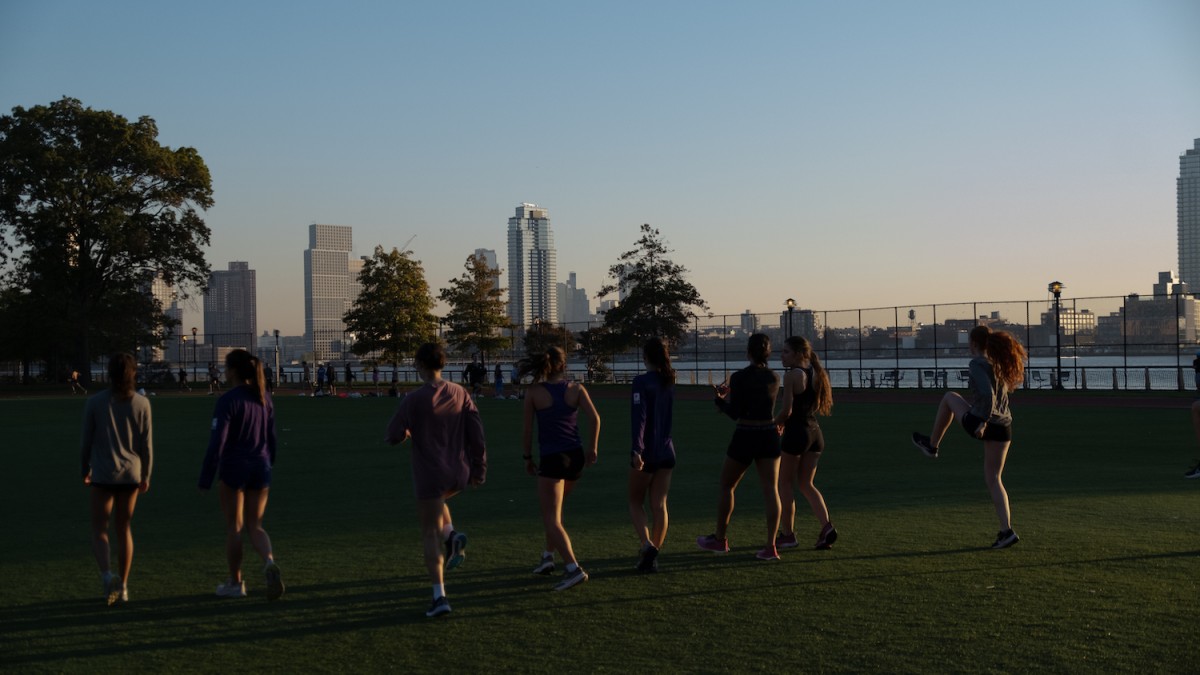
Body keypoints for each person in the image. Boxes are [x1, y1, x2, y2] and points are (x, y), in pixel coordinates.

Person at [386, 342, 487, 618]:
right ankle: (452, 535)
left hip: (430, 474)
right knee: (440, 505)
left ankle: (439, 595)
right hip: (458, 472)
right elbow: (476, 433)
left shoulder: (413, 399)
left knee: (428, 532)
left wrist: (407, 431)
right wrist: (479, 468)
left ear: (420, 365)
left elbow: (393, 434)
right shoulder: (460, 392)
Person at [911, 325, 1027, 549]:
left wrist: (982, 420)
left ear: (973, 343)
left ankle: (932, 445)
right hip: (1005, 427)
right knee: (994, 480)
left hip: (986, 422)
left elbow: (986, 394)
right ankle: (1006, 531)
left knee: (949, 397)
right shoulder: (996, 363)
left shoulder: (977, 363)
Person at [198, 349, 284, 600]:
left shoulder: (228, 400)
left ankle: (236, 583)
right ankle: (269, 562)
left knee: (234, 527)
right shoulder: (264, 398)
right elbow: (272, 438)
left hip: (235, 467)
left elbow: (217, 442)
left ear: (233, 371)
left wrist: (205, 477)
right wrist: (270, 463)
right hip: (261, 466)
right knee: (255, 525)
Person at [520, 346, 600, 590]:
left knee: (551, 517)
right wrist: (592, 448)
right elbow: (595, 418)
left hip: (553, 459)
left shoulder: (534, 392)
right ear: (564, 366)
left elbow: (527, 430)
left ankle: (573, 568)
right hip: (575, 458)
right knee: (556, 513)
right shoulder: (576, 389)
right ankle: (547, 557)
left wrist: (527, 457)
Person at [697, 333, 782, 561]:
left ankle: (720, 539)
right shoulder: (775, 377)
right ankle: (771, 545)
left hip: (746, 434)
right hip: (769, 435)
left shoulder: (739, 377)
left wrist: (719, 401)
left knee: (727, 485)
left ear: (748, 352)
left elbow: (735, 412)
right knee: (771, 490)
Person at [81, 353, 152, 605]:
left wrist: (84, 469)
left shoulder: (96, 402)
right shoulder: (142, 403)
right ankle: (122, 586)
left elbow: (86, 442)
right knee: (124, 529)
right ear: (133, 373)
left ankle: (107, 574)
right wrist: (146, 474)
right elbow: (146, 445)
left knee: (100, 529)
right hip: (131, 473)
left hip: (102, 473)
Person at [773, 336, 837, 551]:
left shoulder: (792, 375)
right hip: (815, 433)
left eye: (785, 352)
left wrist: (775, 423)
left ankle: (788, 535)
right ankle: (826, 527)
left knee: (784, 484)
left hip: (797, 434)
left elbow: (787, 410)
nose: (781, 356)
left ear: (799, 354)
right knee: (806, 484)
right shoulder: (815, 371)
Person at [629, 338, 677, 573]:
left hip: (648, 450)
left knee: (635, 501)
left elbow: (640, 417)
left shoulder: (641, 382)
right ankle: (654, 553)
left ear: (645, 356)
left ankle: (647, 546)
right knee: (660, 505)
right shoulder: (669, 381)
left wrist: (637, 449)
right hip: (667, 450)